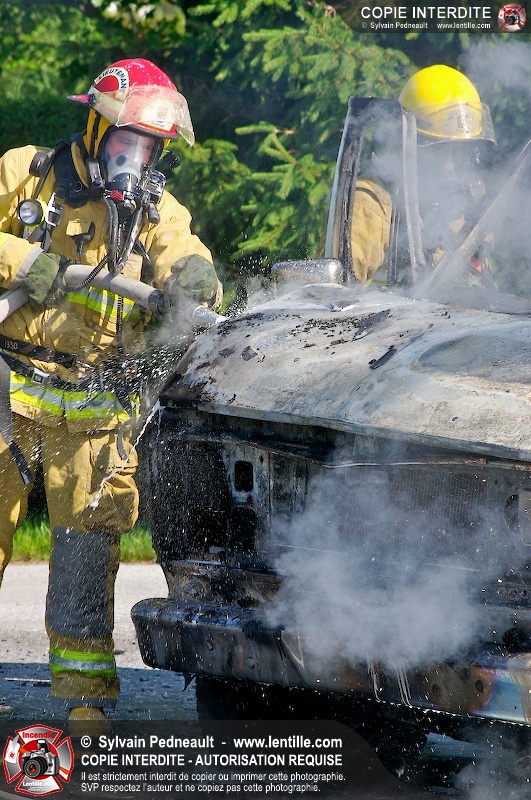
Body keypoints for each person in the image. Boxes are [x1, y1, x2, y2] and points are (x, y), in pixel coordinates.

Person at [0, 58, 222, 723]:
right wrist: (26, 261)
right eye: (126, 140)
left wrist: (196, 278)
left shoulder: (155, 210)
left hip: (94, 411)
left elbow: (183, 250)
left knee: (84, 561)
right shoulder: (26, 173)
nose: (135, 158)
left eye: (148, 147)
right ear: (96, 129)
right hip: (8, 388)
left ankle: (84, 706)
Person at [351, 64, 497, 283]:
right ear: (408, 146)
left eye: (459, 150)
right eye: (437, 149)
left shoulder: (465, 212)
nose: (448, 166)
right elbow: (332, 295)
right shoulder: (373, 205)